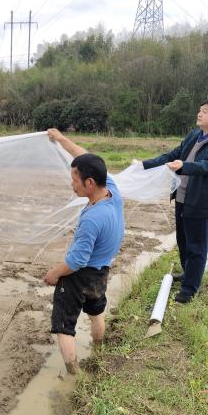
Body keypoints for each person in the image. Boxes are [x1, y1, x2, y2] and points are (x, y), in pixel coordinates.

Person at [45, 129, 125, 374]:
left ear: (89, 183)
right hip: (101, 272)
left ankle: (73, 374)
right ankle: (99, 351)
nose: (72, 183)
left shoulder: (92, 219)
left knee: (63, 326)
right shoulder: (111, 190)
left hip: (81, 275)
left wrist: (55, 274)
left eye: (75, 179)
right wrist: (61, 139)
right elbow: (86, 156)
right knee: (96, 310)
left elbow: (76, 260)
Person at [142, 96, 208, 304]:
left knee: (197, 246)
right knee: (183, 241)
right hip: (183, 197)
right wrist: (145, 165)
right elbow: (173, 154)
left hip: (201, 201)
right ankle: (187, 274)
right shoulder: (195, 135)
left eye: (205, 111)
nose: (199, 114)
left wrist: (182, 166)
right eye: (199, 110)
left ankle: (190, 289)